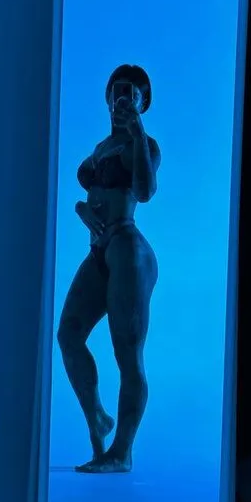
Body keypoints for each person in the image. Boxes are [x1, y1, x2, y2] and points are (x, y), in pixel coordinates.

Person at [56, 64, 161, 473]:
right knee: (69, 335)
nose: (123, 98)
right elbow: (92, 192)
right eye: (119, 90)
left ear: (142, 102)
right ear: (108, 96)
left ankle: (122, 452)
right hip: (99, 250)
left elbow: (145, 192)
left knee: (127, 352)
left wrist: (137, 133)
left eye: (132, 93)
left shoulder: (144, 145)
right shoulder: (100, 148)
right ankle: (97, 418)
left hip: (128, 249)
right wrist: (81, 208)